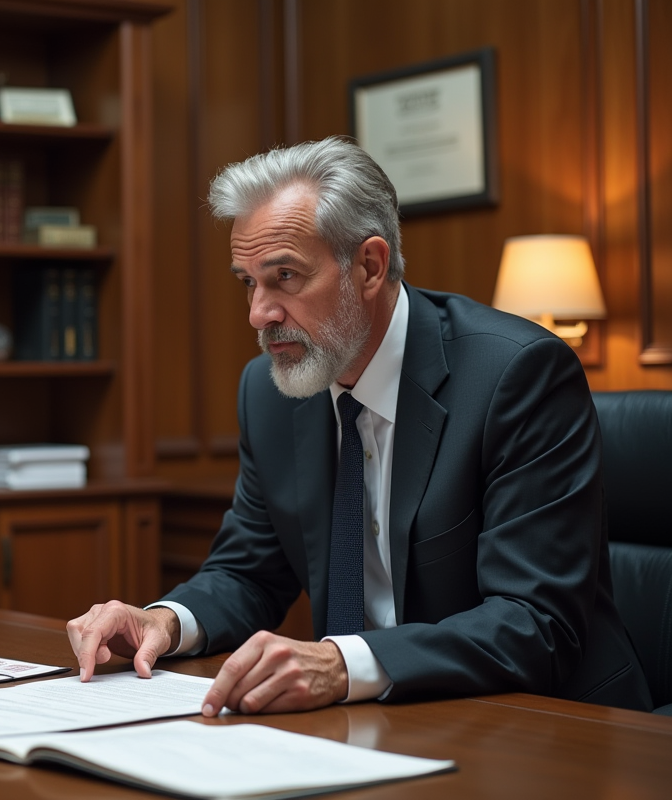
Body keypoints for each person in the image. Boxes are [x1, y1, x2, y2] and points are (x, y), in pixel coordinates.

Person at [67, 136, 652, 716]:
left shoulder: (516, 375)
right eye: (248, 282)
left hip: (551, 723)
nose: (258, 314)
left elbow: (535, 622)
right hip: (379, 721)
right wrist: (164, 621)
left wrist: (342, 665)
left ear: (369, 266)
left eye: (285, 276)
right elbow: (250, 572)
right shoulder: (269, 393)